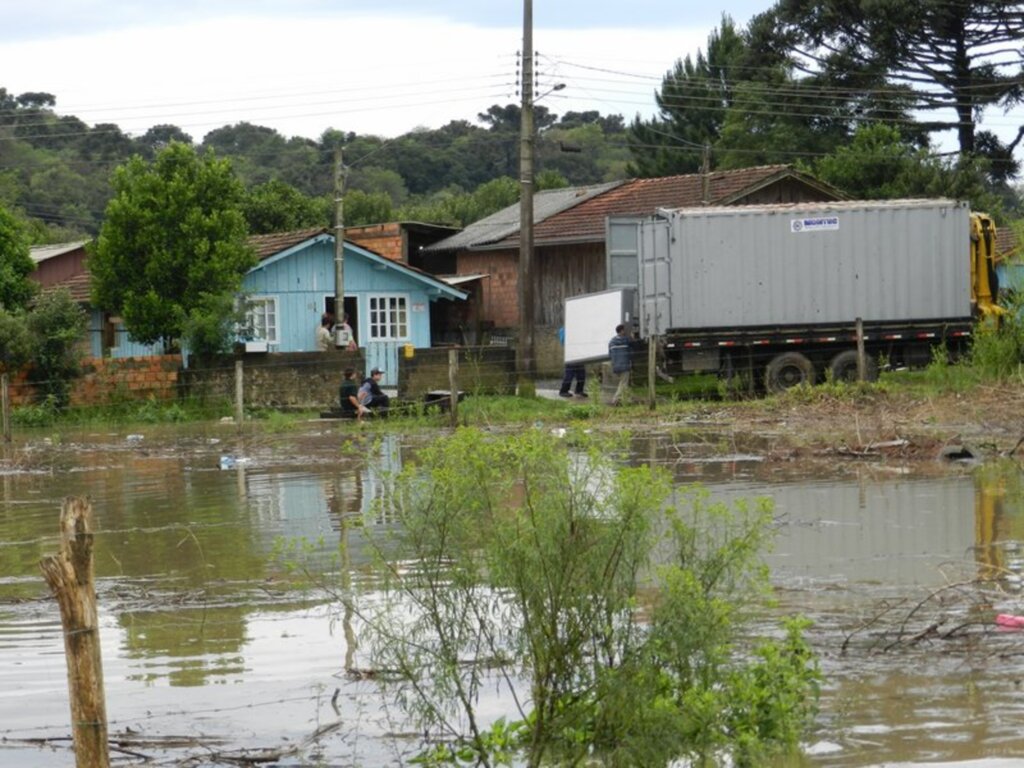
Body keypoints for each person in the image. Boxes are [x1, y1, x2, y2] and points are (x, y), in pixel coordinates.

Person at [557, 325, 587, 398]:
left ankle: (579, 391)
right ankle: (563, 391)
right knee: (569, 375)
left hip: (579, 355)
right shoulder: (563, 330)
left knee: (581, 375)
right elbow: (563, 341)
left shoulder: (578, 330)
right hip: (571, 356)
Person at [608, 323, 632, 406]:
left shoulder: (611, 341)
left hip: (615, 366)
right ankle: (615, 399)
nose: (625, 332)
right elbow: (631, 351)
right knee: (623, 383)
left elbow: (610, 354)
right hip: (624, 365)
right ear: (621, 331)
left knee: (624, 382)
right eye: (624, 330)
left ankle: (627, 399)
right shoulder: (626, 340)